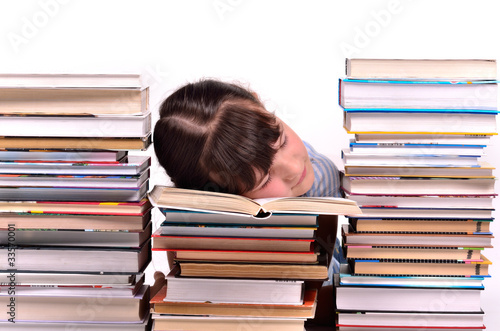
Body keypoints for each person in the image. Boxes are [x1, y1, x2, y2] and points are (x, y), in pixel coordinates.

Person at [153, 79, 342, 325]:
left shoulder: (319, 173)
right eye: (264, 180)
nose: (295, 168)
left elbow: (322, 282)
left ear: (260, 102)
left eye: (282, 140)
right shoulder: (192, 224)